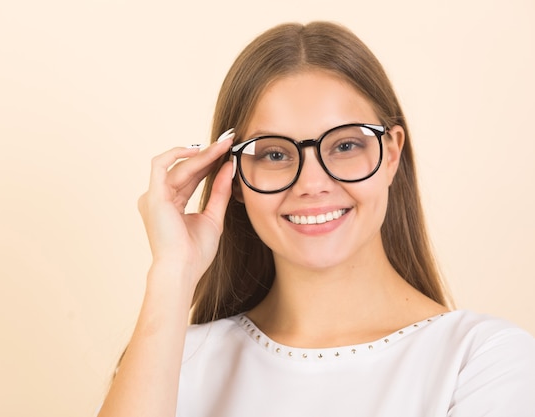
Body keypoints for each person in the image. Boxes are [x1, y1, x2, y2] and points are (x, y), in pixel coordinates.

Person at [98, 21, 535, 417]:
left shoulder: (483, 361)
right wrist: (172, 273)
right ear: (232, 175)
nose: (311, 183)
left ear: (392, 153)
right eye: (274, 153)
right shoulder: (174, 362)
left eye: (345, 146)